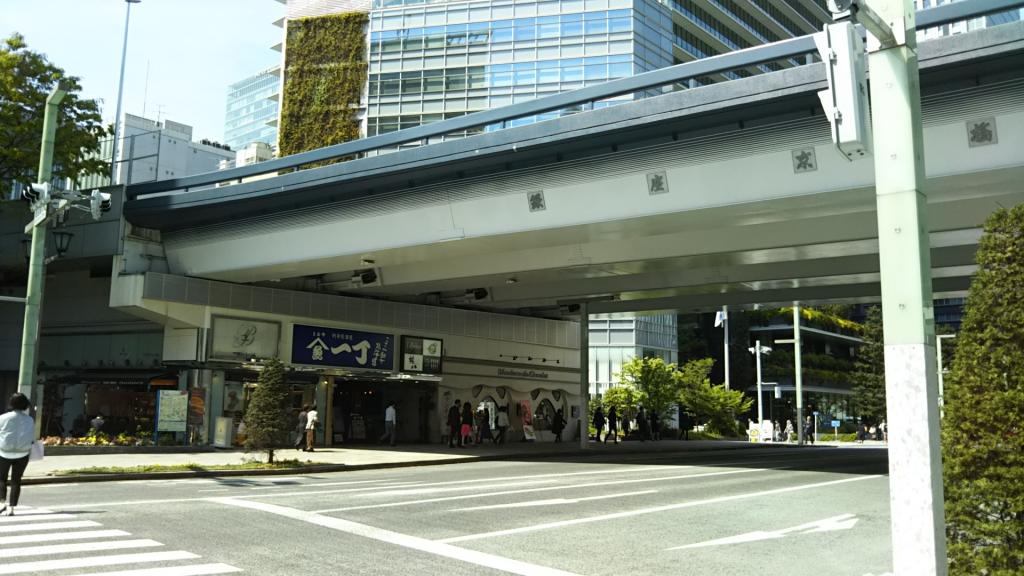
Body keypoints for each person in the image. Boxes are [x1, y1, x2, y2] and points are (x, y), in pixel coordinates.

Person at [0, 393, 35, 517]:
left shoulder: (3, 418)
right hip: (22, 453)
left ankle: (1, 502)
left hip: (4, 452)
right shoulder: (29, 419)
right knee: (16, 481)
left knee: (1, 479)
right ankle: (12, 508)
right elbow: (32, 437)